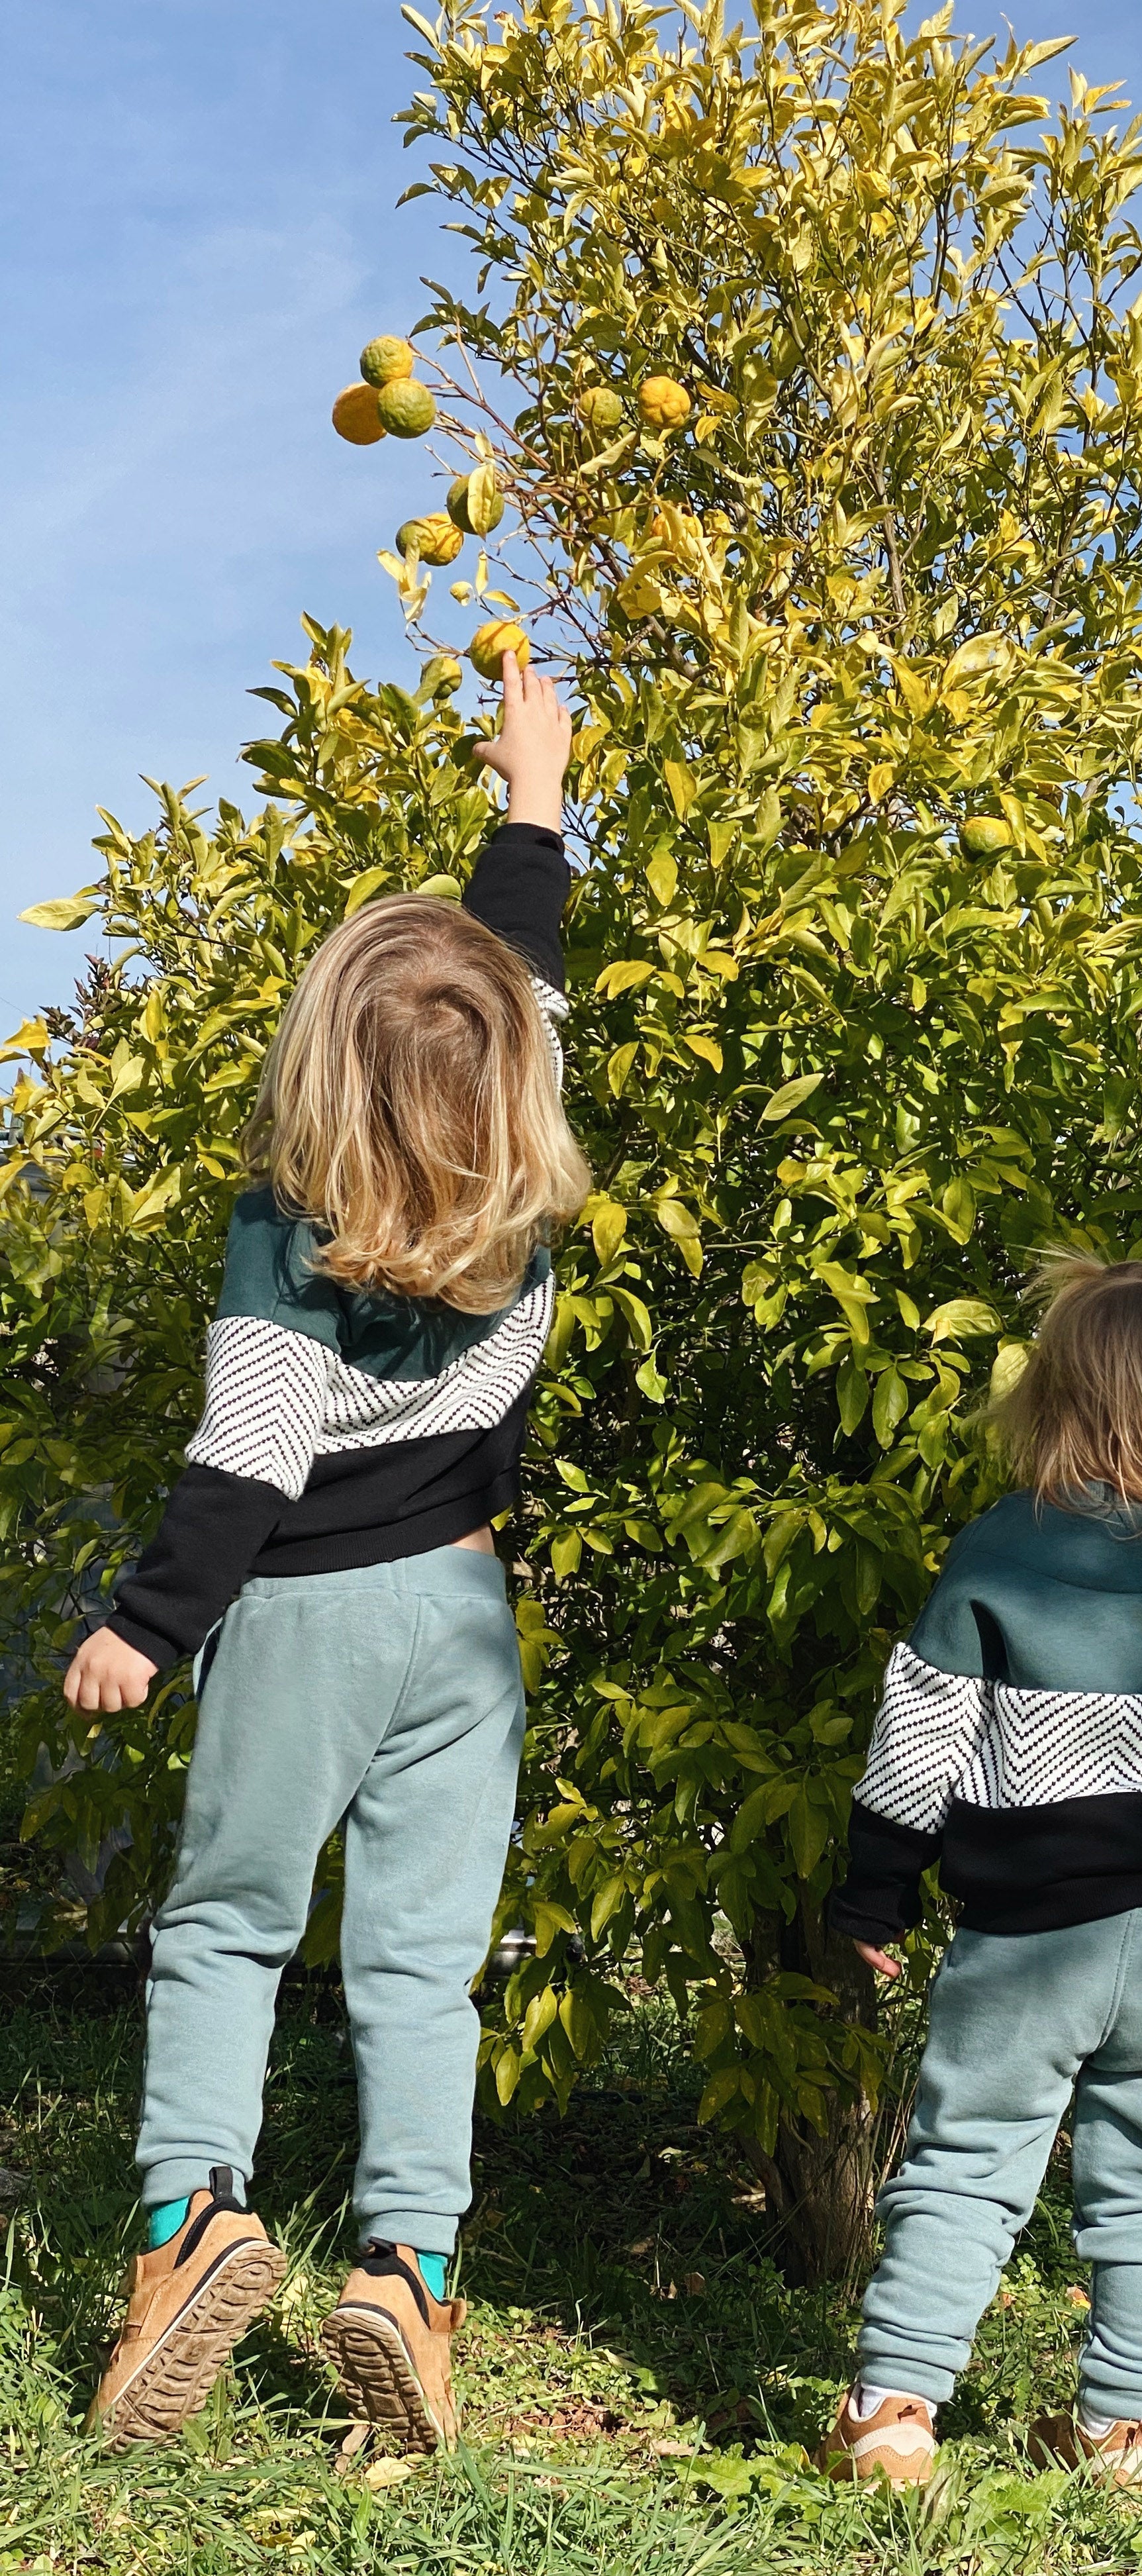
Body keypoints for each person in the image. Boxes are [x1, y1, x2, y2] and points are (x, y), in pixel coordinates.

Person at [67, 655, 587, 2453]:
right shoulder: (521, 1159)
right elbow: (511, 960)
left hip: (298, 1615)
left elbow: (247, 1459)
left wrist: (143, 1624)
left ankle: (184, 2225)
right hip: (463, 1607)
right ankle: (411, 2277)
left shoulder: (284, 1242)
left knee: (223, 1929)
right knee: (422, 1966)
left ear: (316, 1074)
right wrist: (535, 792)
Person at [818, 1254, 1142, 2494]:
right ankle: (1123, 2435)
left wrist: (876, 1886)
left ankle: (892, 2413)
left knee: (969, 2160)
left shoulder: (1000, 1556)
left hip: (1029, 1940)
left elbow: (920, 1733)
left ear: (1059, 1397)